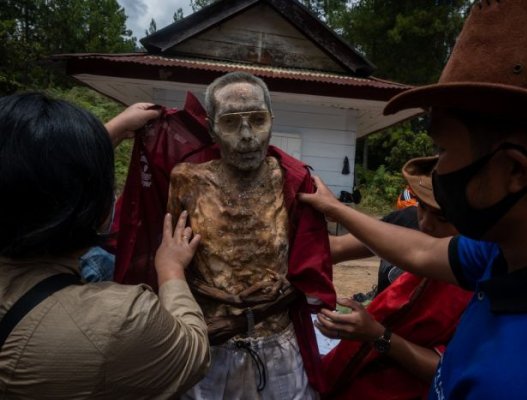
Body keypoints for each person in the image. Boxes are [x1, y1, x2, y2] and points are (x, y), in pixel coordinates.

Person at [300, 1, 527, 398]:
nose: (437, 173)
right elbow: (423, 252)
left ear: (515, 172)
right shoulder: (510, 257)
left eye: (442, 150)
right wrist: (333, 208)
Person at [0, 93, 210, 399]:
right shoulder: (117, 320)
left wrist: (110, 131)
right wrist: (171, 270)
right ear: (101, 213)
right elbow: (193, 353)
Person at [165, 72, 335, 399]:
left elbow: (307, 272)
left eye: (257, 120)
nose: (247, 136)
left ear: (271, 120)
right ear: (211, 126)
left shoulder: (294, 180)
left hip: (278, 349)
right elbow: (174, 262)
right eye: (231, 122)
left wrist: (247, 316)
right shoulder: (187, 180)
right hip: (209, 348)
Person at [316, 156, 472, 399]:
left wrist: (378, 335)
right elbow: (333, 249)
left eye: (443, 218)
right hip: (344, 375)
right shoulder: (406, 222)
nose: (426, 224)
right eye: (422, 206)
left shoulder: (478, 279)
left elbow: (449, 370)